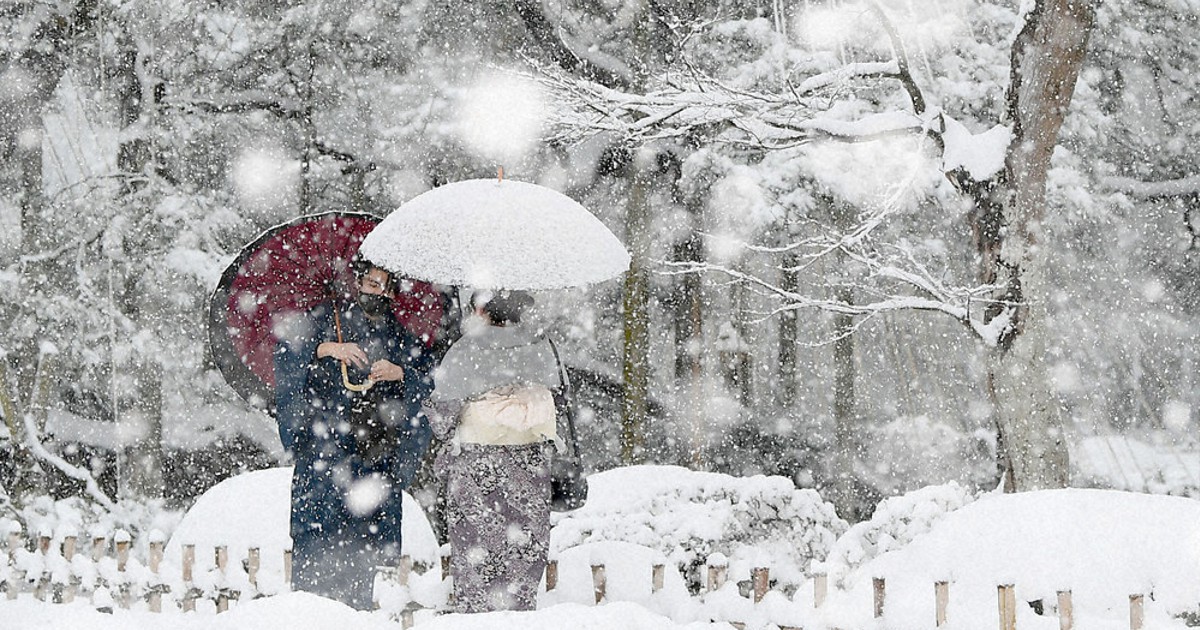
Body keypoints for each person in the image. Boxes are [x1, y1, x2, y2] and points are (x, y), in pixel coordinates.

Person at [273, 258, 434, 610]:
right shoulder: (326, 317)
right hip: (322, 456)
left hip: (370, 456)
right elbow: (285, 354)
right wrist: (328, 348)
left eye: (386, 286)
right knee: (313, 570)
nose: (379, 292)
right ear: (358, 282)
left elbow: (428, 376)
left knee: (360, 564)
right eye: (372, 284)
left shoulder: (397, 334)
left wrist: (400, 373)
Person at [425, 289, 565, 613]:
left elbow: (442, 418)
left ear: (484, 310)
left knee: (476, 553)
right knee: (522, 554)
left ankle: (477, 617)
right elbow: (559, 401)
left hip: (477, 465)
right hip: (529, 464)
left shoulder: (464, 350)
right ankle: (517, 615)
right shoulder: (542, 347)